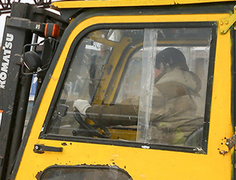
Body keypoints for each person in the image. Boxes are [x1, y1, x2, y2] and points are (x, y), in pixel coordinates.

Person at [73, 47, 203, 145]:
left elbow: (128, 112)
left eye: (155, 68)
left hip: (171, 149)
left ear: (164, 67)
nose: (152, 73)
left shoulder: (166, 91)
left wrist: (88, 110)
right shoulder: (190, 90)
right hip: (180, 146)